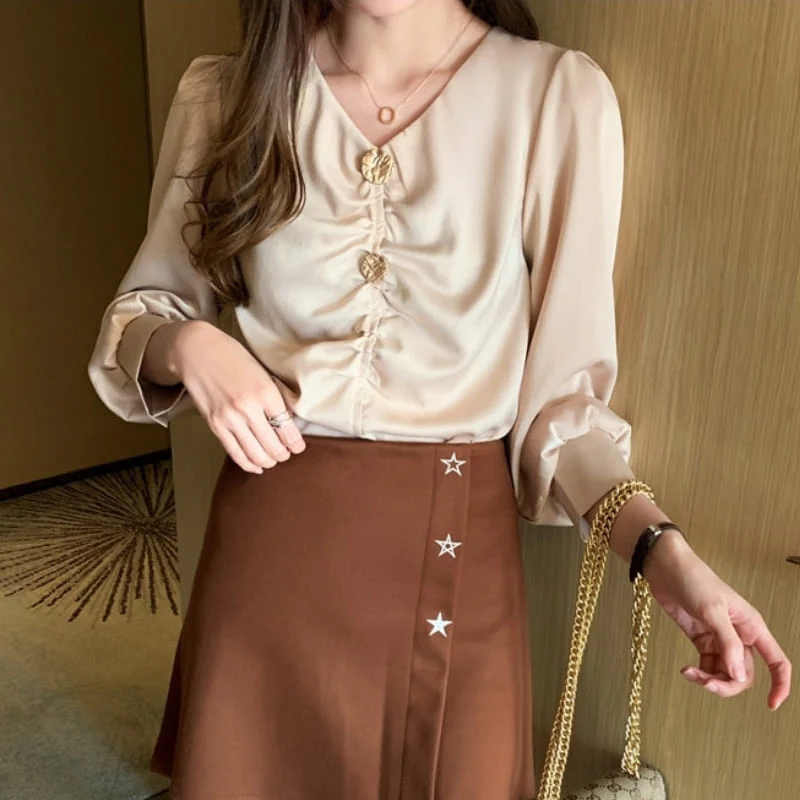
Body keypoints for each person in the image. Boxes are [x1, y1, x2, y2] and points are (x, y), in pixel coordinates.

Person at [87, 0, 792, 797]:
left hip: (458, 554)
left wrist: (660, 551)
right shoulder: (229, 94)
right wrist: (189, 345)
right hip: (269, 556)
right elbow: (139, 318)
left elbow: (560, 414)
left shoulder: (553, 99)